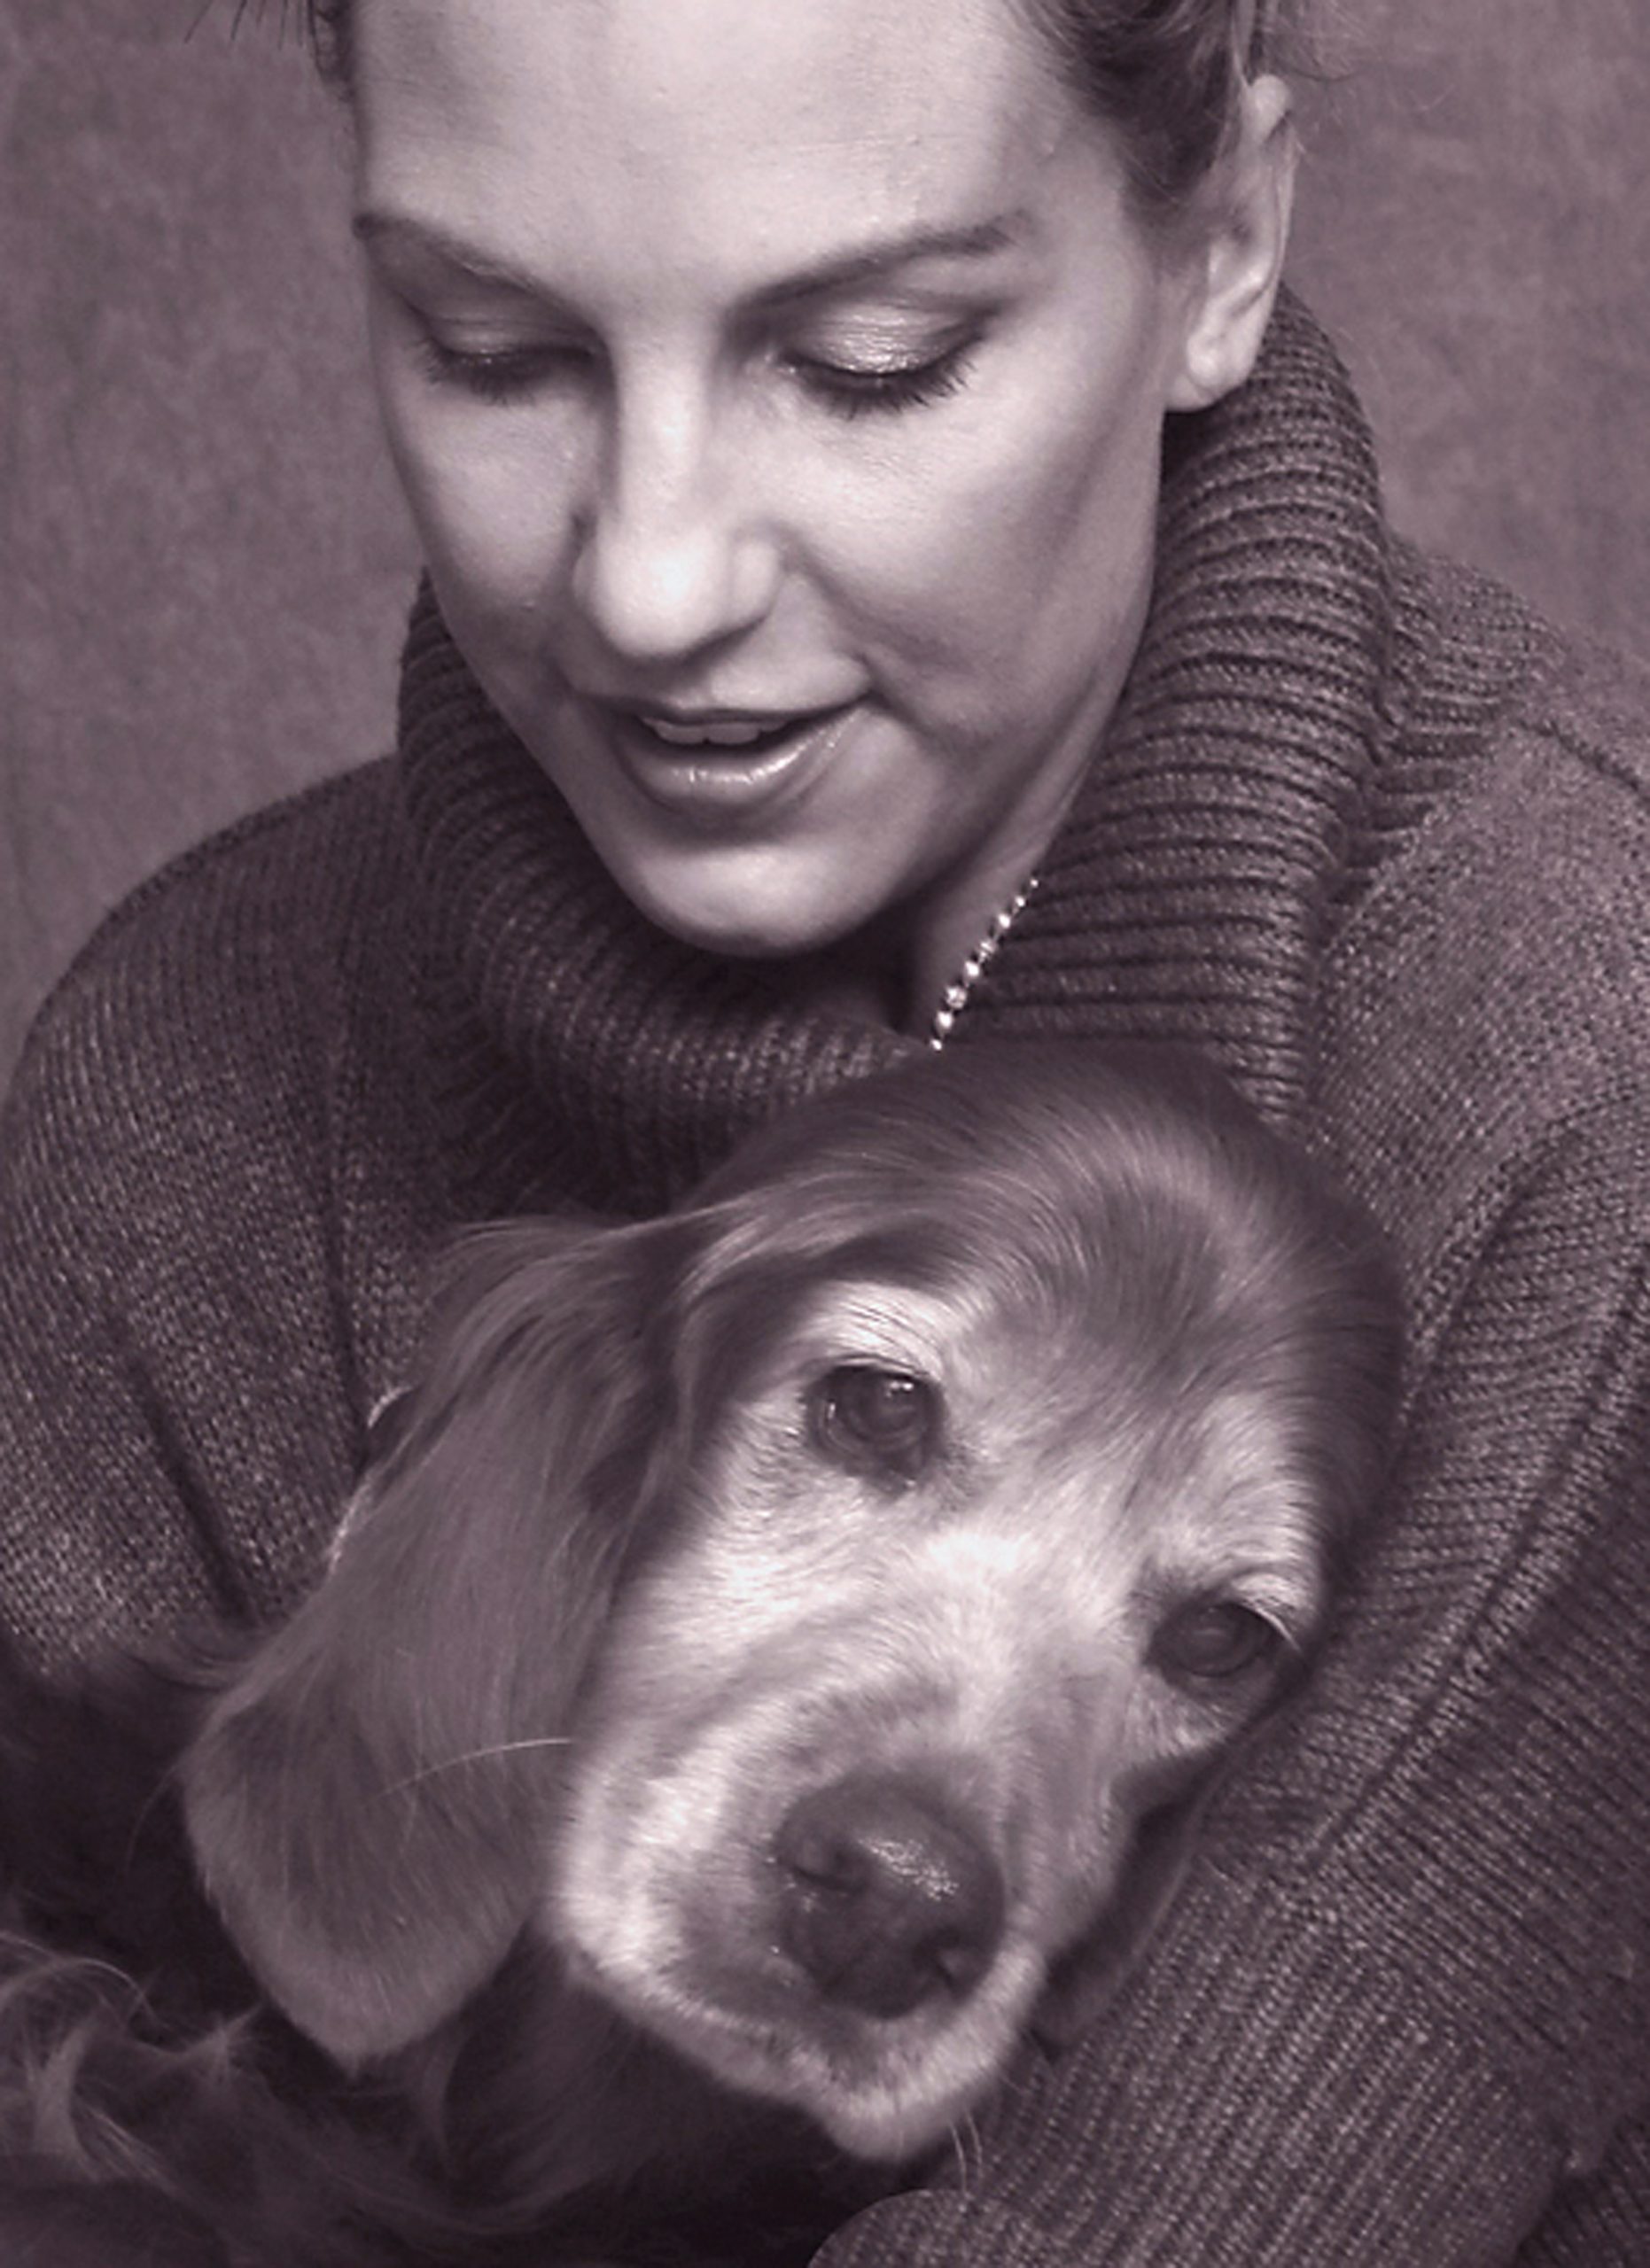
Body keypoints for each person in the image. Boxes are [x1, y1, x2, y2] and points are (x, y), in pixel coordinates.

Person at [2, 0, 1646, 2257]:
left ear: (1222, 253)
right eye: (492, 347)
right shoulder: (184, 1069)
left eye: (869, 358)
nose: (650, 581)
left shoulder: (1582, 1059)